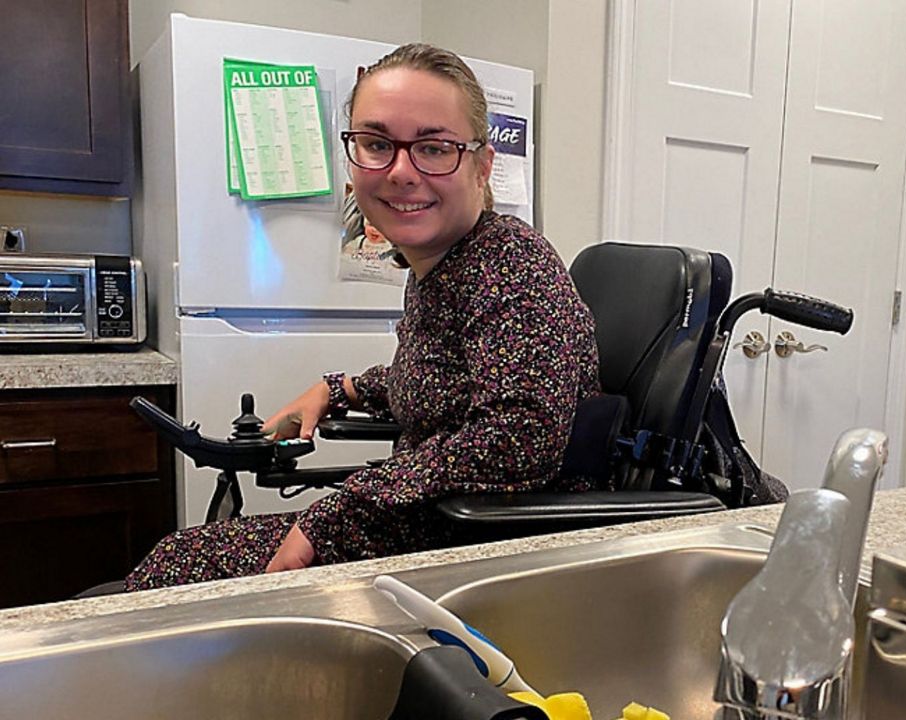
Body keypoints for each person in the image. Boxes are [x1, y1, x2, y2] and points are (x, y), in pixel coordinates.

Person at [125, 44, 600, 590]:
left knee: (184, 569)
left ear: (482, 166)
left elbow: (518, 436)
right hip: (434, 524)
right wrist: (341, 388)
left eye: (435, 147)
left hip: (490, 549)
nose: (400, 171)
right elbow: (441, 381)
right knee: (182, 559)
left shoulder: (510, 262)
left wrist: (340, 511)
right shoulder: (442, 267)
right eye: (376, 144)